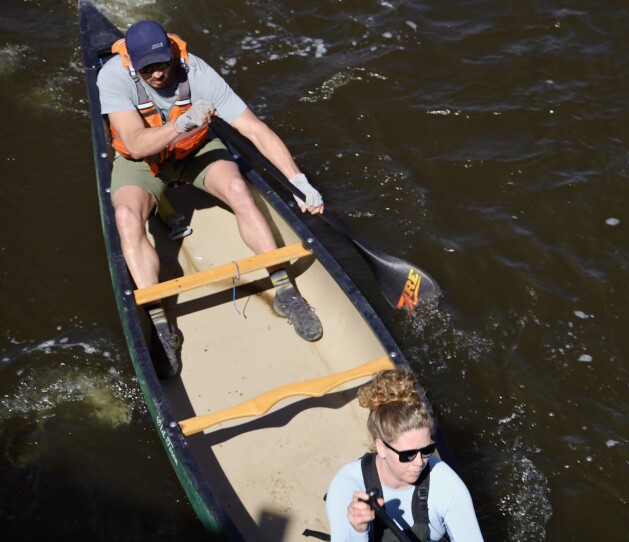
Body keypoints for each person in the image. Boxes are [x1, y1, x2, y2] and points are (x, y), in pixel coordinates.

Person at [97, 20, 324, 369]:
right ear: (132, 64)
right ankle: (159, 322)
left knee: (238, 189)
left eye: (162, 64)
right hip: (143, 162)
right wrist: (179, 124)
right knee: (126, 216)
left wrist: (298, 181)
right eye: (148, 69)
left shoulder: (198, 72)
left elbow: (254, 129)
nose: (158, 74)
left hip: (193, 154)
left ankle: (284, 288)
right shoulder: (112, 77)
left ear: (172, 53)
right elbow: (136, 144)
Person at [326, 368, 484, 542]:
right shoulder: (347, 485)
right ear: (381, 447)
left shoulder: (446, 484)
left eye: (426, 450)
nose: (420, 462)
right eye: (408, 454)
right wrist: (358, 530)